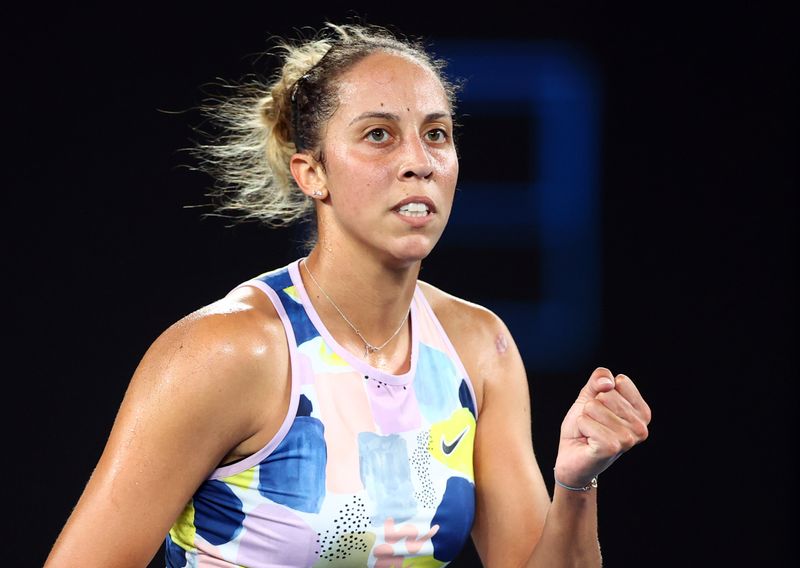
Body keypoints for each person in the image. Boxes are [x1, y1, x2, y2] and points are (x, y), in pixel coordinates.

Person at [45, 23, 651, 568]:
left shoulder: (480, 346)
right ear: (312, 173)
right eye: (379, 135)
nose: (419, 162)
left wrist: (575, 483)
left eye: (436, 134)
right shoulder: (226, 352)